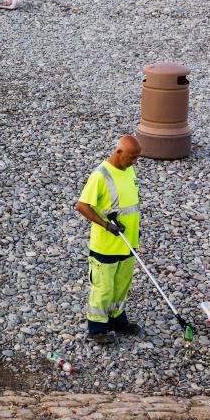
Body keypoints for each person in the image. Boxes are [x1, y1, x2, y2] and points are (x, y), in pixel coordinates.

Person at [74, 135, 144, 344]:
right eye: (132, 157)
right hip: (105, 246)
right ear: (119, 152)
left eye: (137, 157)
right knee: (103, 288)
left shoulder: (130, 169)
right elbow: (82, 206)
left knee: (122, 286)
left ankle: (117, 320)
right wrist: (106, 225)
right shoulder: (100, 176)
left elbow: (130, 205)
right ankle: (97, 328)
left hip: (128, 242)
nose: (135, 161)